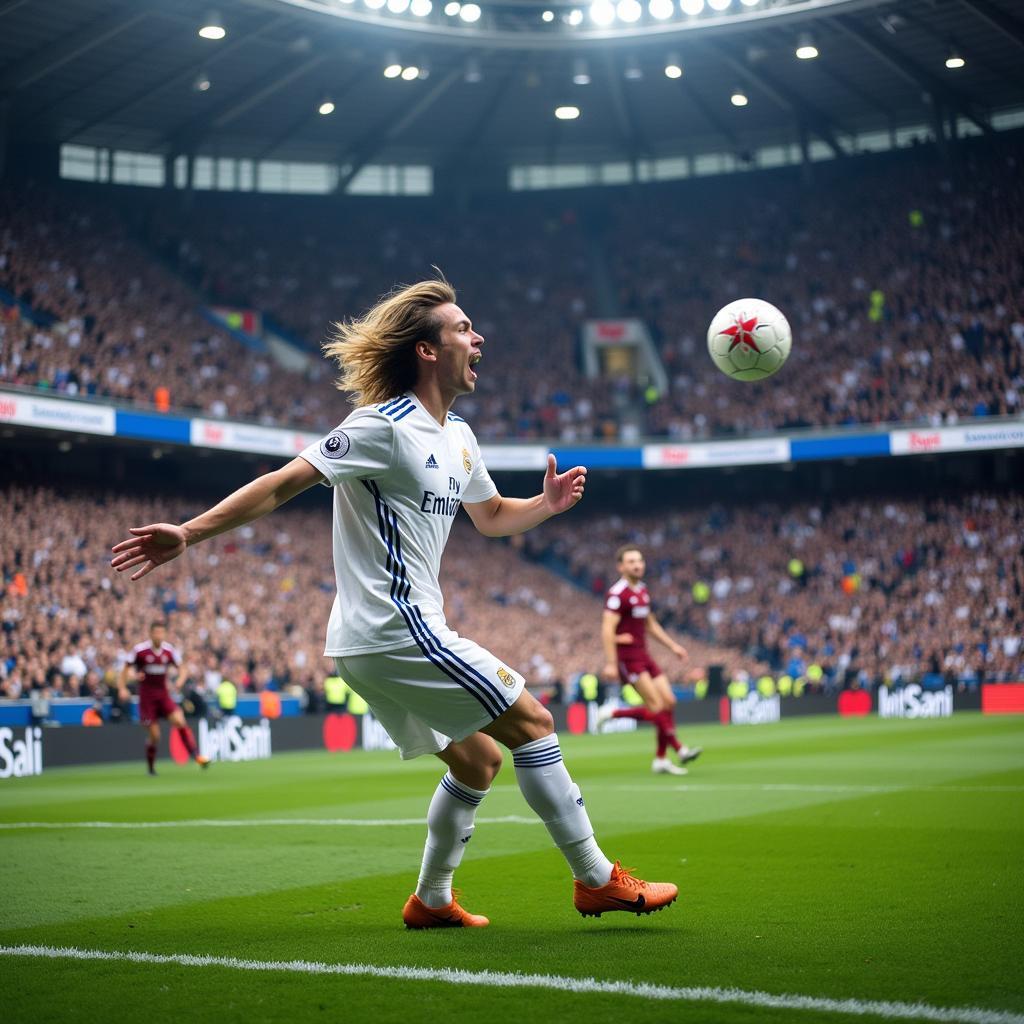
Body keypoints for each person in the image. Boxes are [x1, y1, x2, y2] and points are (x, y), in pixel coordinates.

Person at [111, 278, 677, 928]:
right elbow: (281, 484)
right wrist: (189, 530)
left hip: (375, 640)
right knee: (535, 725)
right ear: (428, 350)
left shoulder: (459, 436)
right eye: (463, 328)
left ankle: (431, 900)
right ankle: (596, 878)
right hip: (393, 626)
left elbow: (491, 517)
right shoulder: (382, 426)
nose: (478, 336)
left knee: (479, 759)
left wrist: (544, 505)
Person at [597, 545, 702, 776]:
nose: (637, 565)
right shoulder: (618, 594)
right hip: (628, 658)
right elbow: (607, 628)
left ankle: (658, 757)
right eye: (631, 561)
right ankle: (679, 749)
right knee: (656, 706)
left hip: (645, 655)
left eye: (640, 560)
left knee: (669, 702)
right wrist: (611, 663)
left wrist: (673, 645)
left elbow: (650, 624)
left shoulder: (642, 590)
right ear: (621, 567)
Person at [118, 620, 210, 774]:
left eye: (162, 632)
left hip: (163, 696)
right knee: (155, 735)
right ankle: (151, 767)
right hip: (147, 699)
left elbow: (182, 668)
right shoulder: (140, 651)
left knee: (180, 720)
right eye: (156, 632)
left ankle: (197, 756)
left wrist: (180, 681)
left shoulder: (169, 651)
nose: (159, 635)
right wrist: (122, 687)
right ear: (151, 633)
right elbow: (125, 669)